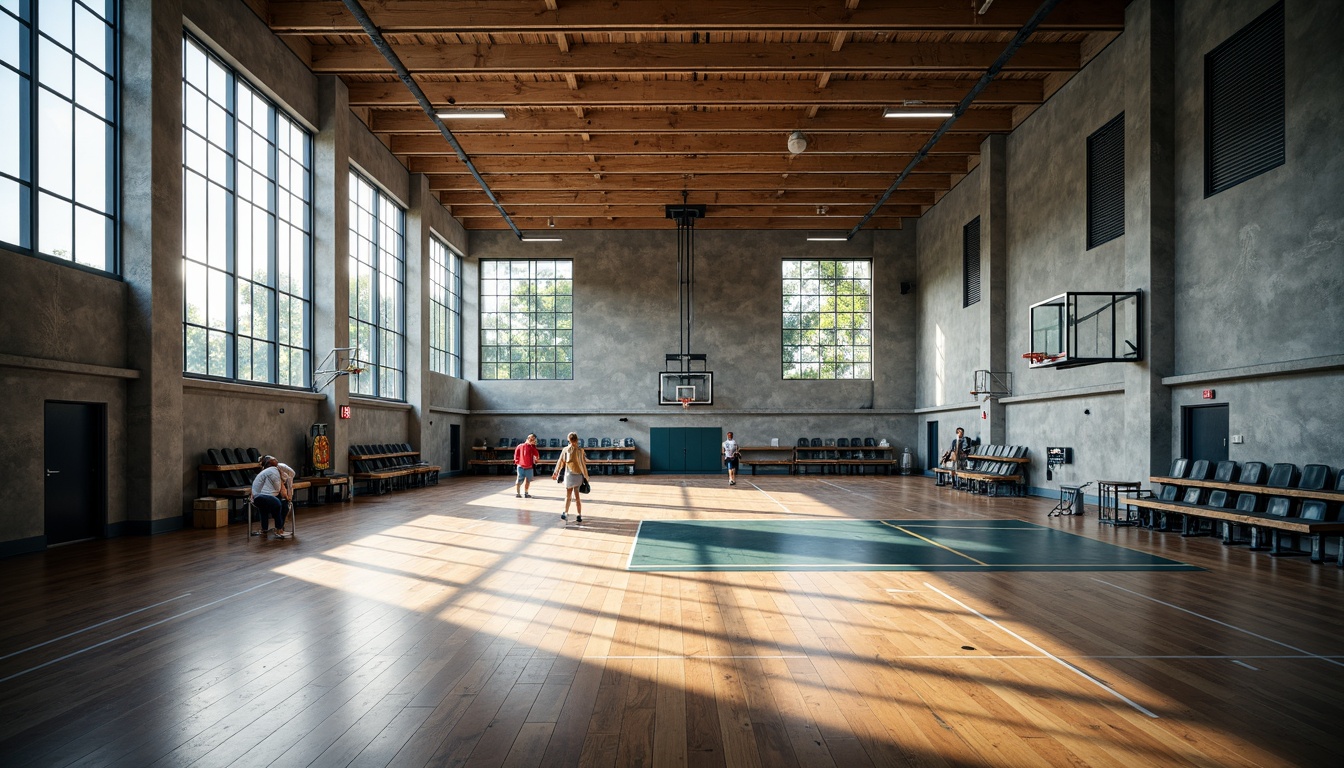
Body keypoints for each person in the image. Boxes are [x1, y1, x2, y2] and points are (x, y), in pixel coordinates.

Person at [552, 431, 591, 524]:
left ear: (568, 440)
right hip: (577, 475)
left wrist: (556, 472)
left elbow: (560, 461)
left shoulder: (566, 450)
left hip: (569, 475)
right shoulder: (580, 450)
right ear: (577, 439)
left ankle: (566, 513)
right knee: (577, 496)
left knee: (568, 495)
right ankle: (579, 514)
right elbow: (584, 463)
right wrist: (586, 476)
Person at [251, 455, 293, 539]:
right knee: (277, 503)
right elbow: (278, 488)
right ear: (269, 464)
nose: (276, 461)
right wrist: (286, 494)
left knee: (281, 503)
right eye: (274, 460)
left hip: (258, 497)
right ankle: (278, 529)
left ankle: (266, 529)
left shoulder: (268, 471)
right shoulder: (273, 470)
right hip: (260, 496)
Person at [513, 433, 541, 498]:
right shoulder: (520, 446)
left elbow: (536, 454)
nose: (531, 440)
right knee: (519, 480)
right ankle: (518, 493)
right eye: (531, 438)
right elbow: (516, 455)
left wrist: (533, 446)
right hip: (521, 466)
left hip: (529, 467)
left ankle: (526, 493)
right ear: (527, 438)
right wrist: (517, 462)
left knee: (528, 481)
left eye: (533, 439)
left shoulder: (532, 447)